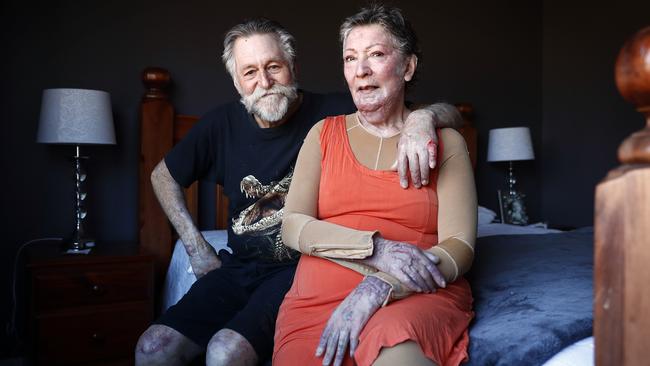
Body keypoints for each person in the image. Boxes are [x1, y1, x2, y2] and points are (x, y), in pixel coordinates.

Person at [134, 17, 462, 366]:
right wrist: (196, 247)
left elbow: (447, 114)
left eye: (274, 66)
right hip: (238, 267)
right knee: (152, 347)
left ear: (293, 67)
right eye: (250, 72)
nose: (265, 82)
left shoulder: (336, 113)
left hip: (304, 266)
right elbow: (161, 176)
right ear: (236, 81)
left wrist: (420, 120)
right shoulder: (220, 125)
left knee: (225, 352)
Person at [274, 5, 476, 366]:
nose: (361, 70)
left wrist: (382, 284)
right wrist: (374, 249)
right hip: (315, 304)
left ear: (408, 67)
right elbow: (292, 225)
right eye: (350, 58)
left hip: (413, 295)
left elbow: (460, 245)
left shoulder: (446, 142)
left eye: (376, 55)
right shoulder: (323, 135)